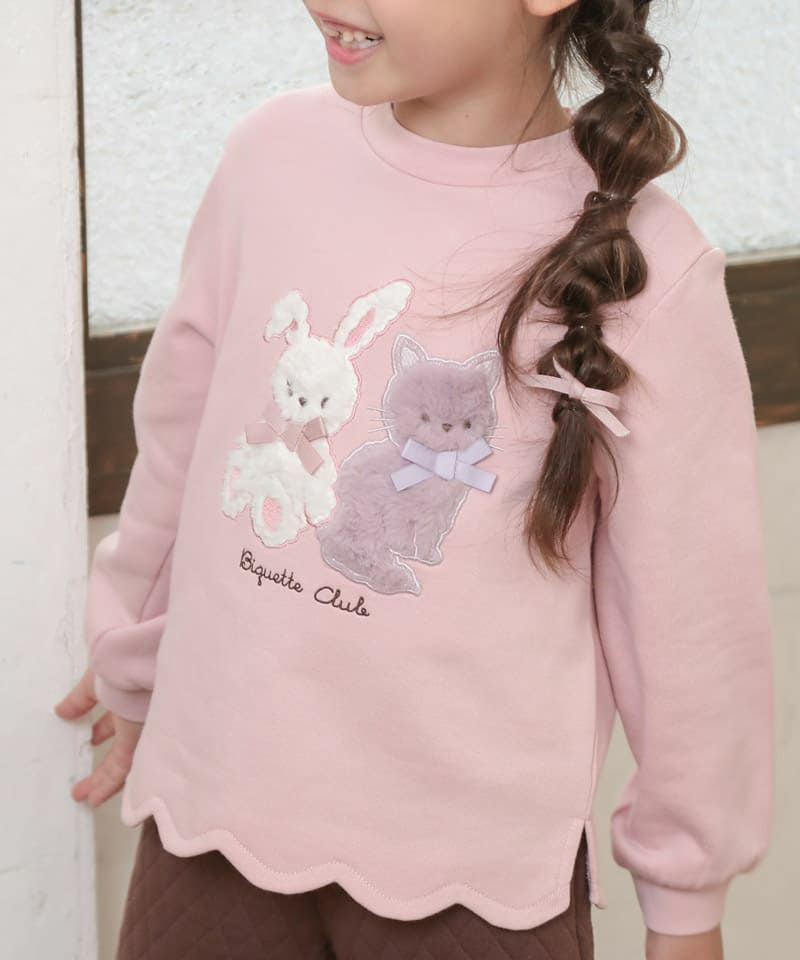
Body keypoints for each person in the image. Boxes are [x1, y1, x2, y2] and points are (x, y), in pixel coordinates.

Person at [54, 2, 775, 958]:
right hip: (213, 819)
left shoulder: (649, 267)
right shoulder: (273, 159)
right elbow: (182, 437)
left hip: (472, 890)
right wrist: (131, 659)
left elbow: (694, 620)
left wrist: (686, 900)